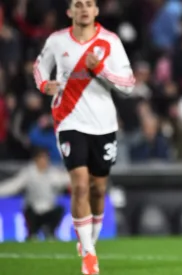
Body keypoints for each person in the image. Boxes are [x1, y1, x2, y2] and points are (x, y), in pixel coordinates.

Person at [33, 0, 135, 273]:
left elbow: (128, 84)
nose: (84, 8)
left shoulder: (110, 42)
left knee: (98, 189)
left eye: (89, 4)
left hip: (104, 125)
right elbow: (39, 68)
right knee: (79, 185)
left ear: (96, 11)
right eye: (78, 4)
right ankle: (89, 254)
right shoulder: (56, 41)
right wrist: (44, 85)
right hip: (69, 121)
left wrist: (100, 69)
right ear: (70, 12)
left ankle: (90, 240)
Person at [0, 147, 69, 240]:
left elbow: (66, 179)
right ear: (36, 159)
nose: (45, 161)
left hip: (49, 210)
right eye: (42, 158)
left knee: (59, 209)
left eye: (46, 158)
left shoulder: (53, 173)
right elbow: (14, 185)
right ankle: (32, 234)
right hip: (33, 211)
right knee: (29, 212)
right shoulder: (28, 173)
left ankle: (50, 233)